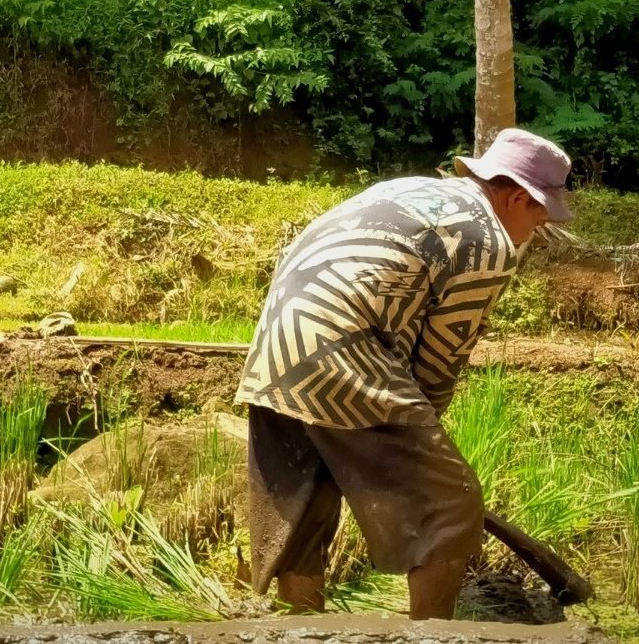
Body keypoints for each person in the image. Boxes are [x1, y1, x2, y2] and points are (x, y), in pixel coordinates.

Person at [235, 128, 574, 620]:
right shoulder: (488, 240)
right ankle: (431, 635)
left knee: (309, 496)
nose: (539, 228)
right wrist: (424, 438)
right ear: (518, 196)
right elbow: (439, 361)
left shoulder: (413, 190)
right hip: (342, 343)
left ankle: (301, 629)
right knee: (450, 502)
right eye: (541, 212)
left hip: (276, 345)